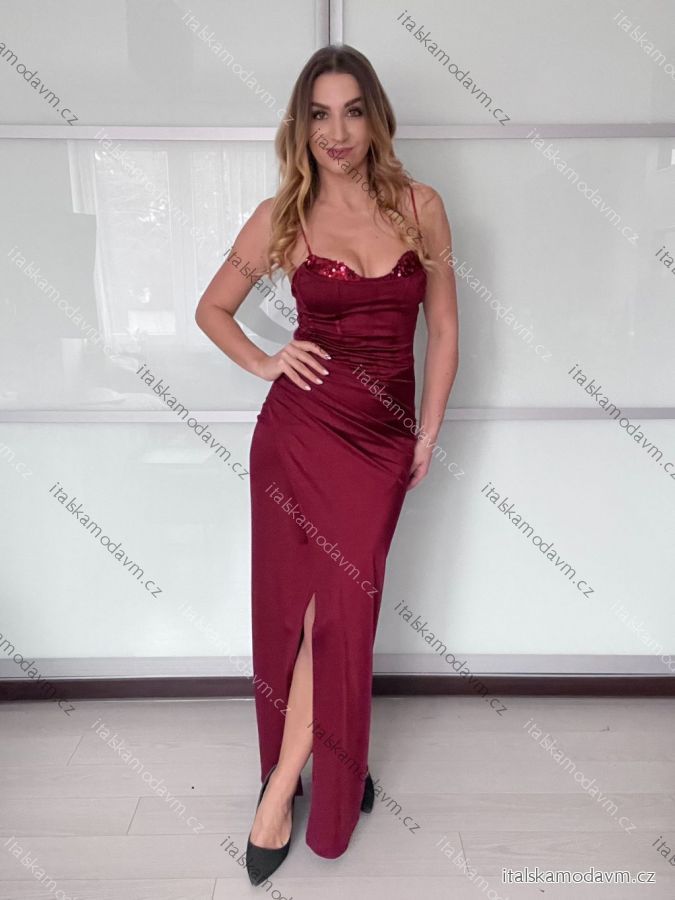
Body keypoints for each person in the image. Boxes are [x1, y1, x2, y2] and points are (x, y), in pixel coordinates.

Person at [195, 43, 458, 883]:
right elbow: (212, 309)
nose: (335, 132)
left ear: (375, 118)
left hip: (380, 445)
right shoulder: (284, 215)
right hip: (298, 435)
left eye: (350, 112)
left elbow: (444, 328)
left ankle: (320, 764)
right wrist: (267, 360)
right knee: (304, 617)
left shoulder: (421, 207)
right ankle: (282, 790)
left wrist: (427, 431)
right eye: (318, 114)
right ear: (300, 126)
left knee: (343, 614)